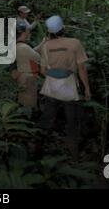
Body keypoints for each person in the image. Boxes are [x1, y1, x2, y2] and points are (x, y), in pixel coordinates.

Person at [36, 15, 91, 157]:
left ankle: (39, 147)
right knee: (72, 119)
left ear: (49, 32)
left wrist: (54, 73)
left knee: (47, 116)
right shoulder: (75, 43)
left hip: (51, 88)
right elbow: (82, 69)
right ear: (63, 28)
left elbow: (42, 71)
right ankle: (73, 151)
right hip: (69, 87)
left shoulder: (46, 46)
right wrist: (87, 88)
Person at [11, 22, 40, 111]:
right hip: (27, 77)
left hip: (21, 76)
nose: (29, 33)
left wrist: (43, 43)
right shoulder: (24, 48)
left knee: (23, 99)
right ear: (23, 33)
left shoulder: (17, 45)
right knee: (28, 103)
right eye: (28, 31)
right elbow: (38, 58)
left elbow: (31, 52)